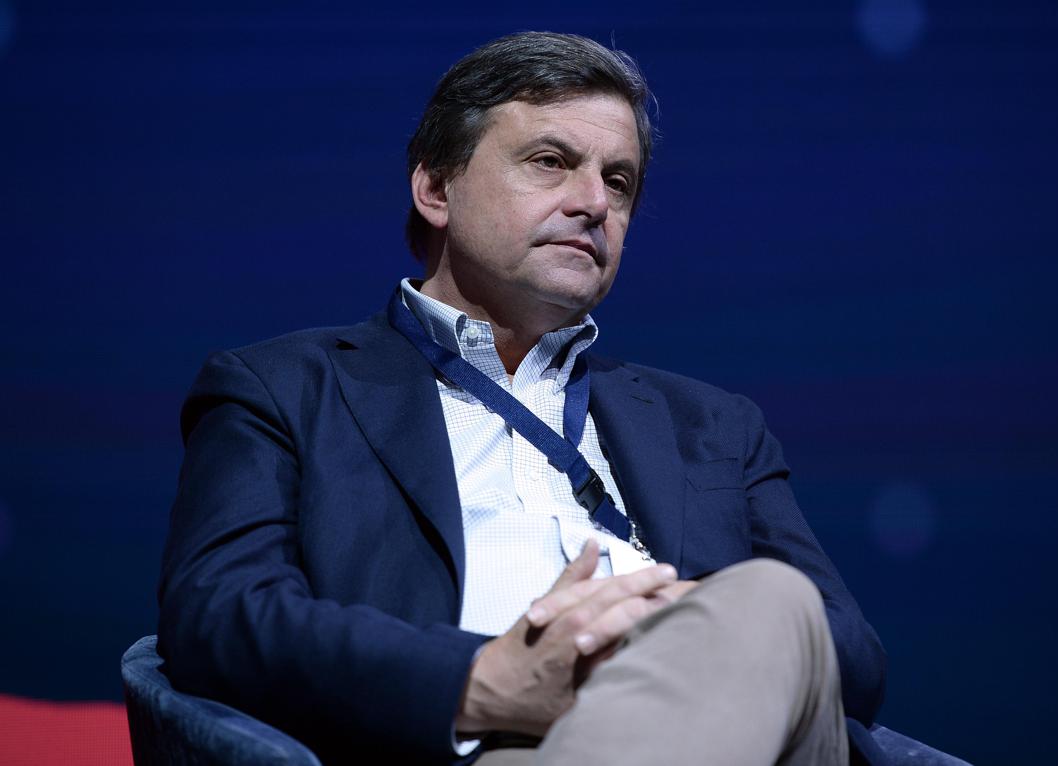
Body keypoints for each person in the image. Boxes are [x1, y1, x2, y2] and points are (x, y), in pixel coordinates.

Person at [157, 31, 887, 765]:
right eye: (551, 162)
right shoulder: (284, 389)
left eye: (620, 182)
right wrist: (478, 680)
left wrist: (688, 628)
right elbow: (218, 614)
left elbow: (851, 657)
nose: (595, 203)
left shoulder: (714, 426)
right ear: (436, 189)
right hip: (465, 747)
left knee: (774, 599)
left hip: (713, 726)